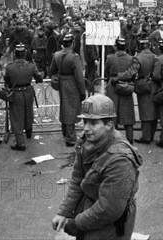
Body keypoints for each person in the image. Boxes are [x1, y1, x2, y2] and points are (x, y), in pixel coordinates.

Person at [52, 94, 143, 240]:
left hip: (111, 221)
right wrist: (64, 212)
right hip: (91, 209)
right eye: (85, 121)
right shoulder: (85, 142)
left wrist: (77, 223)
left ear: (109, 125)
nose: (86, 128)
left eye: (93, 123)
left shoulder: (120, 160)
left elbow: (110, 208)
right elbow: (77, 180)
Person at [3, 43, 43, 151]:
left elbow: (7, 81)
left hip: (16, 93)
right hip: (28, 92)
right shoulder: (31, 66)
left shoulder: (10, 67)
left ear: (15, 54)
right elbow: (39, 79)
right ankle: (29, 131)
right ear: (25, 54)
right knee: (28, 112)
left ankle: (20, 143)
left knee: (16, 117)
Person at [50, 33, 86, 146]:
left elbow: (52, 71)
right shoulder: (74, 57)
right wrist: (82, 91)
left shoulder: (56, 55)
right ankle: (71, 138)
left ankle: (65, 131)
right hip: (72, 83)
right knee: (71, 109)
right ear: (72, 44)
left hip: (62, 82)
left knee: (64, 106)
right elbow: (79, 77)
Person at [107, 37, 136, 143]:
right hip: (126, 86)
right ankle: (130, 138)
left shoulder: (110, 58)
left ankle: (113, 139)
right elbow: (133, 74)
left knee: (113, 113)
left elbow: (107, 73)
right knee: (128, 114)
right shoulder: (131, 58)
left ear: (116, 46)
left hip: (113, 87)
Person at [131, 38, 157, 144]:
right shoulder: (155, 57)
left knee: (145, 111)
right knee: (154, 111)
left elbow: (133, 72)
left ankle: (146, 136)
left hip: (143, 85)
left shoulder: (138, 58)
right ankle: (151, 135)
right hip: (154, 85)